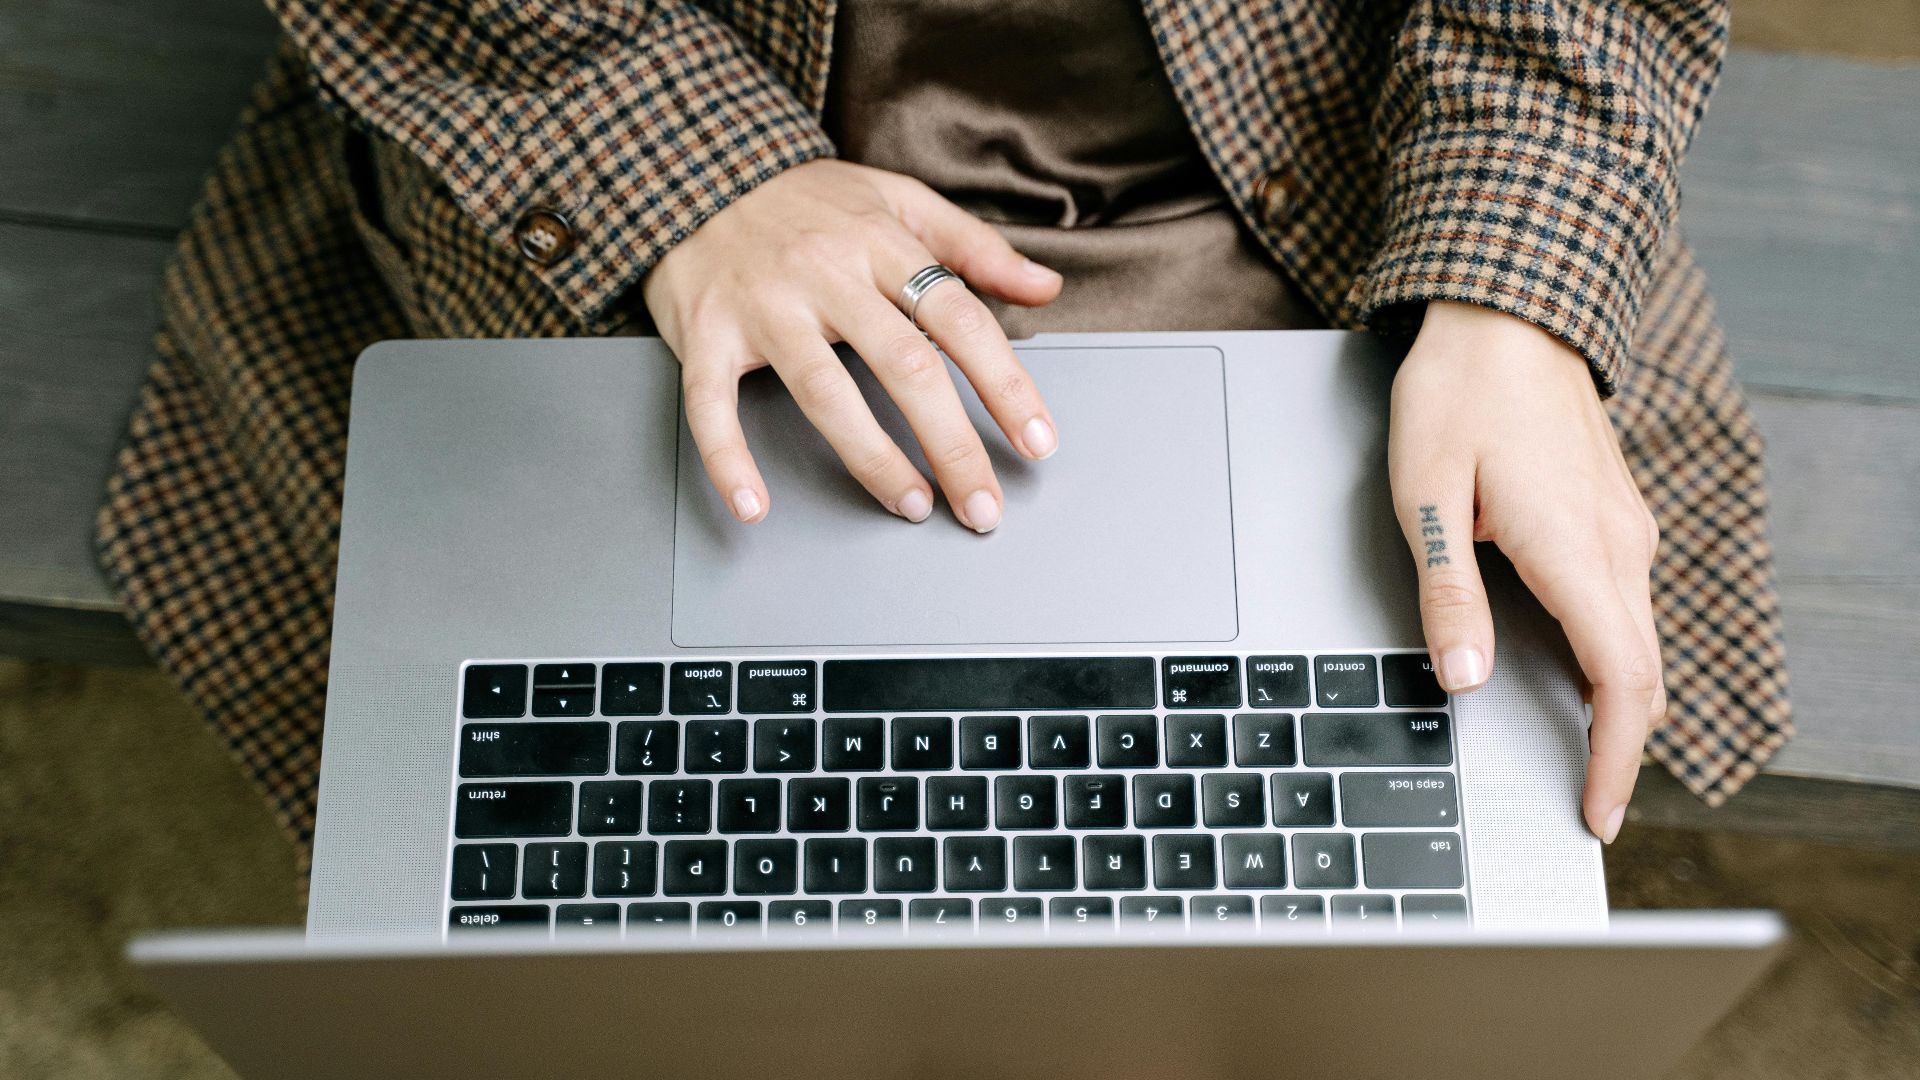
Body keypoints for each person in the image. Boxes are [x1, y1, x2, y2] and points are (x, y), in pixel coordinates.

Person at [97, 0, 1791, 867]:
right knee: (661, 876)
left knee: (1322, 855)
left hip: (1330, 197)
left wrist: (1508, 283)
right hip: (642, 192)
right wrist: (685, 169)